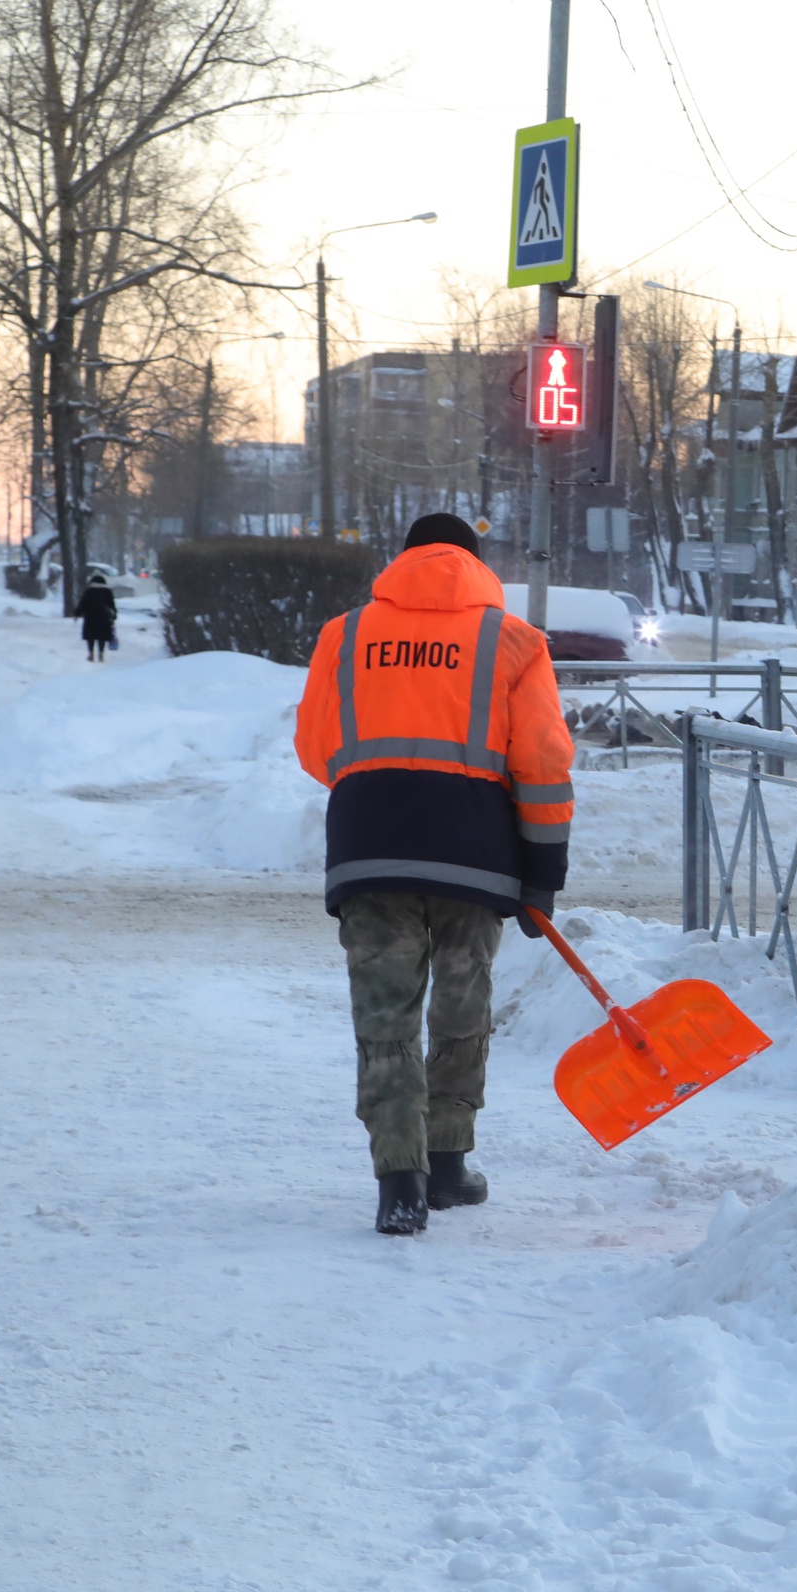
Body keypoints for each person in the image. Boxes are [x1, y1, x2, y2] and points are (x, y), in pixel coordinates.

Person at [293, 513, 577, 1235]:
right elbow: (541, 763)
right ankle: (449, 1167)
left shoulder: (345, 634)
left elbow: (317, 745)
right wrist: (541, 867)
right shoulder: (513, 641)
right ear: (479, 565)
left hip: (369, 844)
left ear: (403, 559)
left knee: (384, 1019)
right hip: (473, 851)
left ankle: (400, 1184)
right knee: (462, 1007)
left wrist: (375, 784)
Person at [77, 571, 118, 663]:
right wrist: (114, 615)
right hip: (104, 618)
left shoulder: (89, 591)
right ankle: (101, 654)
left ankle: (91, 653)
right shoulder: (107, 591)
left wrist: (77, 613)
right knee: (102, 637)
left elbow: (83, 603)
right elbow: (111, 605)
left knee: (90, 636)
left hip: (90, 617)